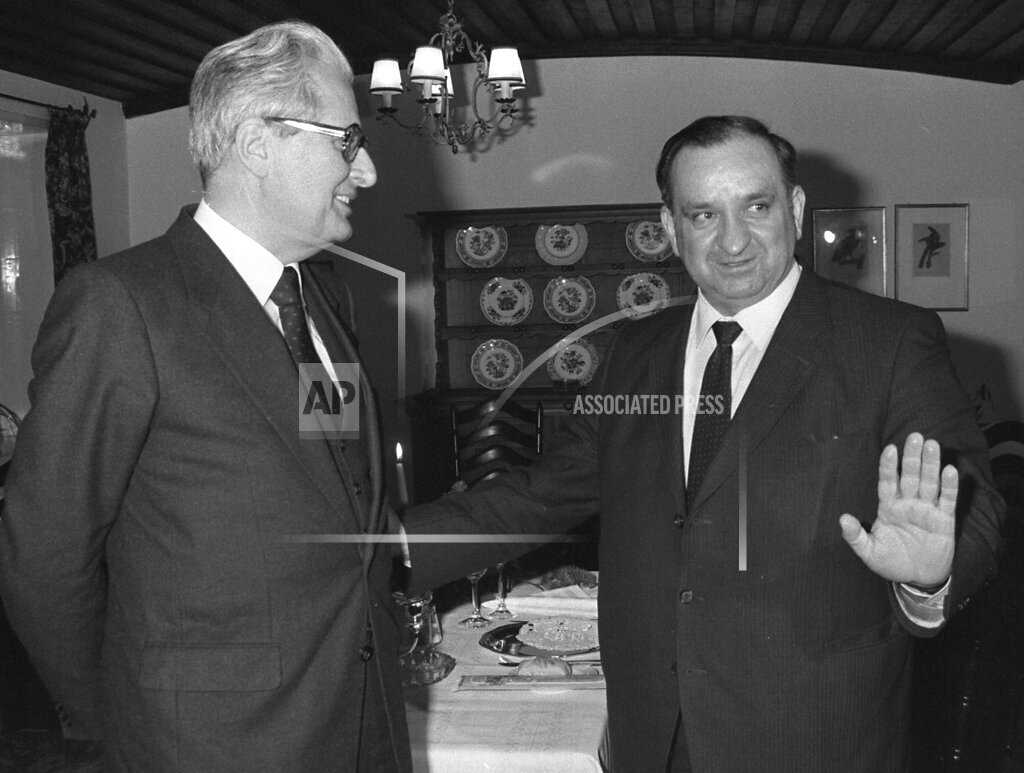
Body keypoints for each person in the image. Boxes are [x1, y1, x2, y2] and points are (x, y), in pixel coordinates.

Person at [402, 115, 1005, 772]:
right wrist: (384, 551)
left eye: (756, 207)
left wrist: (928, 576)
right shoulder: (633, 352)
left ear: (795, 208)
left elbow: (971, 509)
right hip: (656, 733)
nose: (733, 240)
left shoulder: (889, 342)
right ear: (670, 227)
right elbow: (537, 495)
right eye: (704, 215)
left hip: (814, 738)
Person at [0, 22, 411, 772]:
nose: (368, 170)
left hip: (362, 724)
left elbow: (340, 491)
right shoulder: (122, 304)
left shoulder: (325, 305)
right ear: (258, 144)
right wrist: (127, 721)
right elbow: (43, 559)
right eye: (348, 141)